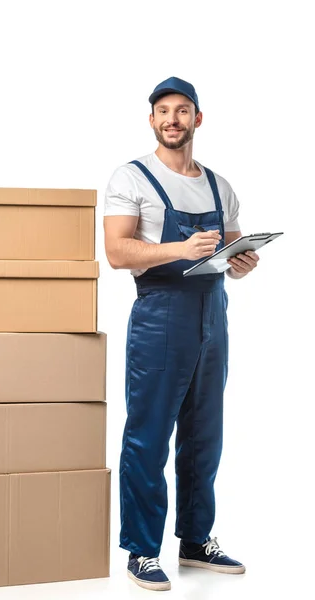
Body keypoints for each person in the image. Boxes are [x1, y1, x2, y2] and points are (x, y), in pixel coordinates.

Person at [103, 76, 259, 592]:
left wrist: (243, 262)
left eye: (183, 110)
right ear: (152, 120)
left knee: (203, 435)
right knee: (149, 435)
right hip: (161, 316)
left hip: (213, 315)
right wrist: (178, 249)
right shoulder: (132, 178)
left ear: (198, 119)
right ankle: (142, 551)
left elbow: (231, 256)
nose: (173, 119)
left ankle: (195, 540)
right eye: (163, 111)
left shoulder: (220, 185)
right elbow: (118, 252)